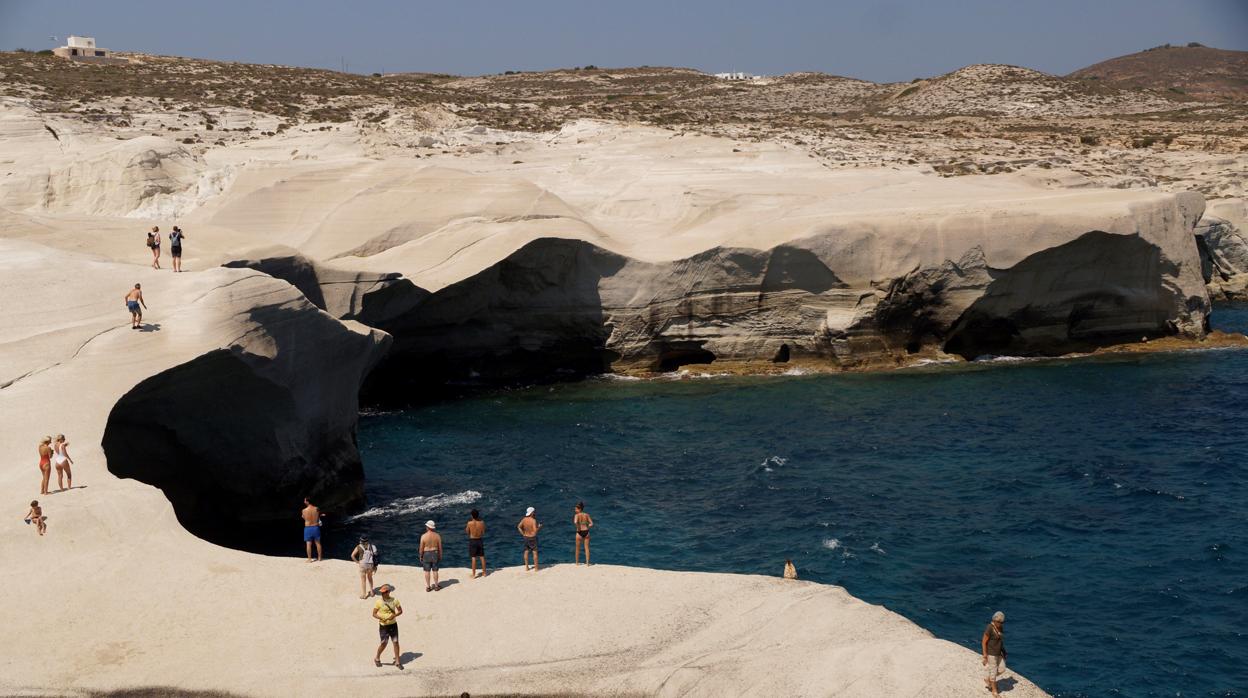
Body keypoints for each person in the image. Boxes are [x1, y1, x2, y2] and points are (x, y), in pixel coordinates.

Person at [371, 583, 403, 669]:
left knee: (395, 642)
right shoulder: (378, 602)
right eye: (381, 592)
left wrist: (394, 615)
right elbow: (374, 614)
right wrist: (380, 617)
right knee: (384, 643)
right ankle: (377, 658)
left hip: (393, 625)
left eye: (384, 592)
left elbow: (400, 611)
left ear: (388, 592)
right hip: (383, 626)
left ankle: (397, 661)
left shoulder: (395, 600)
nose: (382, 594)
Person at [982, 611, 1007, 696]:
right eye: (999, 622)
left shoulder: (1001, 628)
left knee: (1002, 669)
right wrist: (985, 655)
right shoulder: (989, 627)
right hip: (991, 653)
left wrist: (1004, 651)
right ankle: (994, 690)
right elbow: (984, 642)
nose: (1000, 623)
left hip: (999, 653)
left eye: (1002, 622)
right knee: (993, 672)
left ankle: (988, 679)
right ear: (994, 620)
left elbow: (1000, 640)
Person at [419, 520, 443, 592]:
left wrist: (421, 556)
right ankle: (436, 586)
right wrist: (440, 555)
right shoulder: (437, 536)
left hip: (426, 554)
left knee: (427, 571)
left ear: (427, 527)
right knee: (435, 570)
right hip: (435, 553)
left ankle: (428, 587)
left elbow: (421, 548)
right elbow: (440, 547)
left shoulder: (423, 536)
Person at [517, 506, 542, 571]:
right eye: (534, 512)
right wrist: (539, 527)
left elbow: (519, 527)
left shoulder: (524, 519)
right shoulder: (533, 520)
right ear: (532, 513)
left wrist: (523, 533)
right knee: (534, 552)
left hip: (526, 537)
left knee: (526, 551)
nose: (534, 513)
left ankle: (527, 567)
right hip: (532, 538)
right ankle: (536, 568)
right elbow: (535, 531)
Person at [465, 509, 487, 578]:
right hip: (479, 540)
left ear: (472, 516)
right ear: (478, 515)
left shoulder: (469, 523)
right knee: (482, 557)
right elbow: (483, 532)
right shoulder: (482, 522)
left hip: (473, 540)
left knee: (473, 558)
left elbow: (467, 532)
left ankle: (474, 574)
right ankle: (484, 573)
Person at [301, 498, 323, 562]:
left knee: (308, 544)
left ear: (307, 502)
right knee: (318, 543)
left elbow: (304, 518)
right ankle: (319, 558)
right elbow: (318, 515)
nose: (304, 501)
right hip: (316, 527)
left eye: (305, 500)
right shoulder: (317, 508)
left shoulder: (304, 510)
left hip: (308, 528)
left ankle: (309, 559)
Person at [573, 501, 594, 566]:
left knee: (577, 548)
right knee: (587, 548)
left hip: (579, 532)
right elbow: (592, 524)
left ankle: (577, 563)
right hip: (586, 532)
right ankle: (587, 563)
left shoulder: (576, 515)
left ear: (579, 509)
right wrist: (587, 526)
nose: (575, 510)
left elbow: (575, 522)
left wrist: (578, 526)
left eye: (576, 509)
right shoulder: (587, 515)